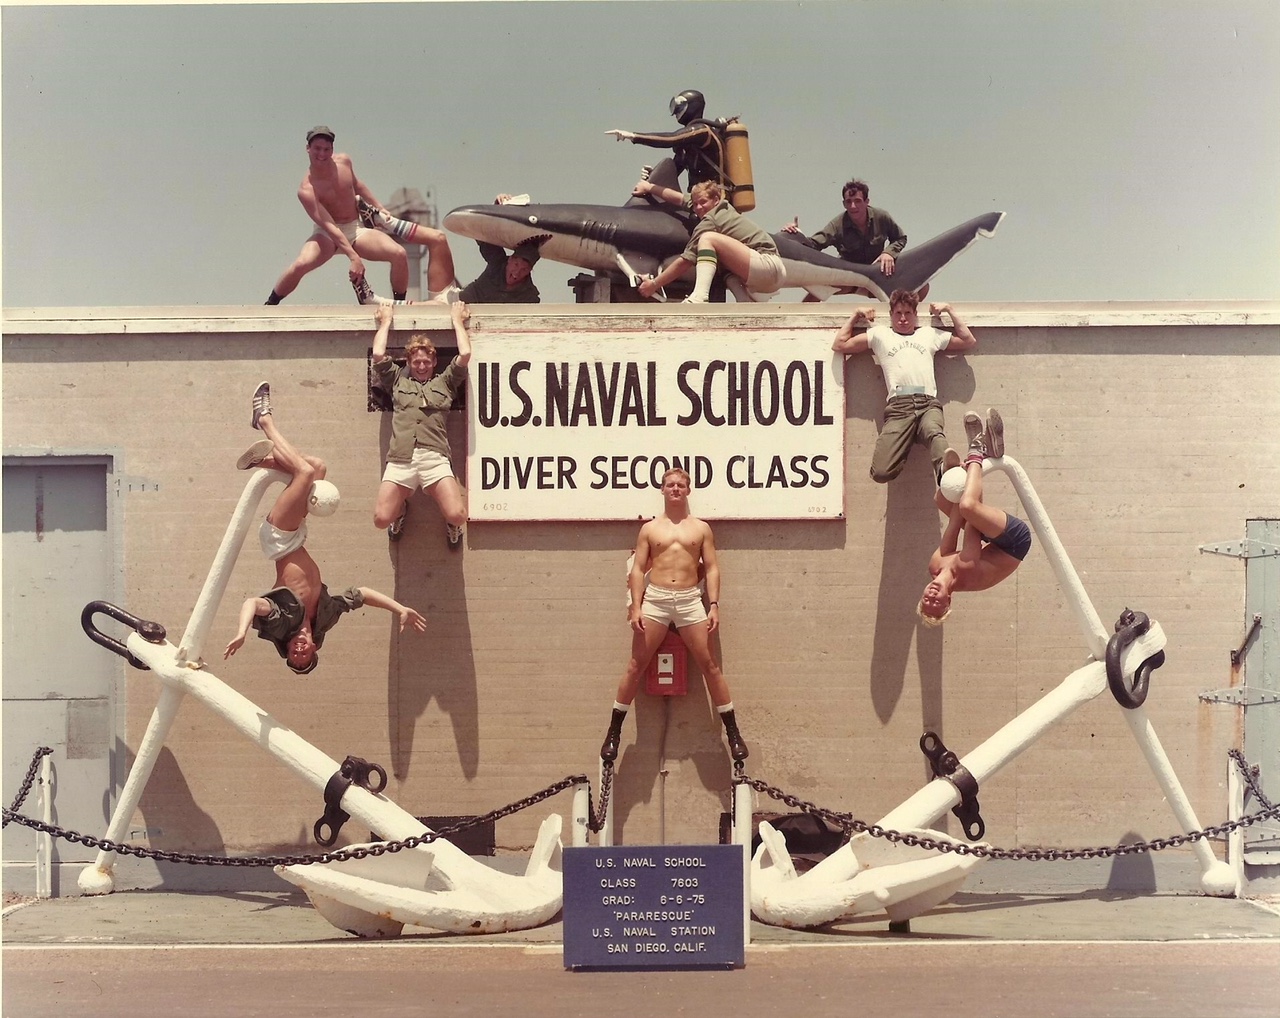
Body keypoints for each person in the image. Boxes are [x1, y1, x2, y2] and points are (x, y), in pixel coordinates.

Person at [223, 382, 427, 673]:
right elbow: (362, 594)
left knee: (304, 473)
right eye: (304, 657)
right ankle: (265, 461)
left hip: (279, 539)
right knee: (318, 468)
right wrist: (400, 609)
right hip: (298, 535)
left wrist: (242, 632)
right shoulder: (326, 616)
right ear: (315, 649)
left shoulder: (280, 623)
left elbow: (252, 604)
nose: (298, 651)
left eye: (292, 656)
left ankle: (264, 420)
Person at [599, 467, 748, 764]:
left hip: (690, 600)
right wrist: (637, 606)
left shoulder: (701, 528)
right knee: (635, 665)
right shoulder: (651, 529)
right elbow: (638, 569)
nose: (676, 489)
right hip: (656, 599)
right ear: (663, 490)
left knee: (710, 665)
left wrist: (714, 604)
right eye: (670, 485)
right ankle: (613, 731)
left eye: (681, 484)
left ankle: (733, 732)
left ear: (688, 490)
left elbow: (713, 567)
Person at [265, 126, 457, 305]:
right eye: (317, 149)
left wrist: (380, 208)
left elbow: (357, 185)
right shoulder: (306, 189)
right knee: (301, 264)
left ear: (332, 150)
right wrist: (353, 258)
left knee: (399, 254)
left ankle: (400, 305)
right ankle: (269, 305)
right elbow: (329, 225)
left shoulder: (344, 162)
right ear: (308, 148)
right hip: (327, 234)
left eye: (326, 149)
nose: (321, 154)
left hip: (354, 228)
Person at [831, 290, 976, 483]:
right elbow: (840, 345)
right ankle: (905, 441)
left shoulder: (929, 334)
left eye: (908, 313)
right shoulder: (879, 335)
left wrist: (949, 309)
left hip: (927, 404)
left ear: (915, 315)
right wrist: (856, 313)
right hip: (899, 408)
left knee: (933, 431)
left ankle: (949, 476)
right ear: (891, 315)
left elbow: (968, 340)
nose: (903, 319)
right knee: (881, 473)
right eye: (898, 313)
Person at [370, 300, 472, 546]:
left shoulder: (445, 383)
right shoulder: (397, 381)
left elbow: (465, 354)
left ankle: (451, 526)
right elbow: (378, 354)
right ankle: (400, 510)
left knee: (458, 514)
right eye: (416, 362)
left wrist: (457, 320)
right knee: (380, 519)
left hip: (434, 458)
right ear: (408, 363)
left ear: (434, 362)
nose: (422, 366)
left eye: (427, 361)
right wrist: (385, 321)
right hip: (401, 459)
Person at [919, 408, 1032, 625]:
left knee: (940, 500)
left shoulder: (935, 565)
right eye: (936, 602)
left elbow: (954, 522)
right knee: (969, 506)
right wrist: (972, 467)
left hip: (991, 542)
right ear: (948, 600)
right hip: (1015, 544)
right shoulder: (965, 571)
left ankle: (982, 455)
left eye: (926, 600)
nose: (931, 597)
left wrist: (957, 485)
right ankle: (977, 450)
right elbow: (971, 519)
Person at [635, 179, 784, 303]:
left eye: (703, 202)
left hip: (767, 265)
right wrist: (648, 187)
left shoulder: (711, 220)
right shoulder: (721, 209)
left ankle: (700, 296)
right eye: (695, 204)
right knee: (718, 259)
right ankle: (744, 300)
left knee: (707, 239)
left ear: (716, 200)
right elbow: (680, 198)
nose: (698, 208)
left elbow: (686, 261)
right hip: (769, 273)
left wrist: (654, 285)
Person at [783, 178, 911, 302]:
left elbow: (900, 238)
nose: (853, 206)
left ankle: (900, 320)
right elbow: (813, 245)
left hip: (879, 275)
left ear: (867, 201)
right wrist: (795, 234)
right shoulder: (837, 225)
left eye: (858, 201)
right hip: (848, 279)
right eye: (848, 201)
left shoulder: (881, 217)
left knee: (920, 287)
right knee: (815, 293)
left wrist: (888, 253)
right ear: (844, 204)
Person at [606, 89, 735, 193]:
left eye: (680, 107)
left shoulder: (703, 131)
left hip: (715, 198)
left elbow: (670, 138)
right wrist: (654, 175)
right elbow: (673, 172)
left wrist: (633, 136)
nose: (676, 112)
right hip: (698, 198)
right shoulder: (686, 146)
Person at [456, 195, 547, 304]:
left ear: (529, 271)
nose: (517, 273)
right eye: (516, 265)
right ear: (510, 260)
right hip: (470, 302)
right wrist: (498, 206)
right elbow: (484, 232)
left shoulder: (529, 295)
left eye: (524, 270)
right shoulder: (497, 261)